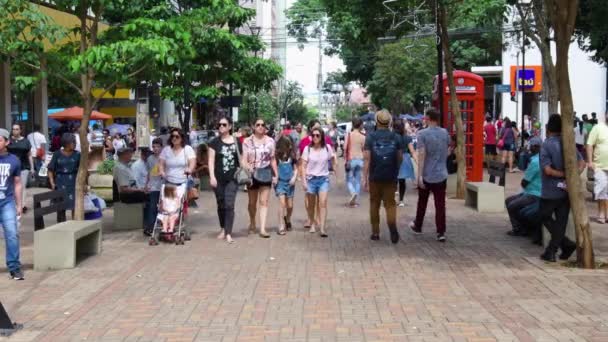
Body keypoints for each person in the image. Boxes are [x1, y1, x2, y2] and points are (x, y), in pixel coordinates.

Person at [538, 114, 584, 262]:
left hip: (550, 191)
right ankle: (557, 248)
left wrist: (562, 174)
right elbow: (582, 163)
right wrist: (570, 177)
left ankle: (557, 248)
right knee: (561, 221)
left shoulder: (546, 145)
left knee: (544, 216)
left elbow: (548, 170)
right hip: (566, 191)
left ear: (548, 128)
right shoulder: (568, 142)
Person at [409, 108, 450, 242]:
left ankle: (418, 225)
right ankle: (441, 232)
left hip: (427, 174)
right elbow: (449, 148)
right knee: (440, 204)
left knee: (422, 202)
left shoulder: (422, 134)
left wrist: (419, 175)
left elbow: (422, 154)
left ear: (428, 118)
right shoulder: (445, 133)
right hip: (441, 174)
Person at [362, 110, 402, 243]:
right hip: (390, 176)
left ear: (376, 121)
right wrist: (396, 170)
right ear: (389, 121)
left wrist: (364, 177)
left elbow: (367, 159)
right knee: (390, 204)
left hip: (375, 175)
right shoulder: (396, 137)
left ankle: (375, 232)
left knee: (374, 204)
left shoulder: (370, 137)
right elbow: (400, 157)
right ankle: (392, 226)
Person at [242, 118, 277, 238]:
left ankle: (262, 228)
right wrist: (247, 167)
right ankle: (252, 222)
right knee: (252, 202)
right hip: (252, 173)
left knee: (264, 201)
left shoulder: (271, 141)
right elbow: (244, 159)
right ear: (253, 126)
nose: (260, 127)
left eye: (263, 125)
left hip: (266, 172)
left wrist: (276, 175)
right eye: (258, 125)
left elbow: (272, 159)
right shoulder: (247, 141)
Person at [208, 117, 240, 244]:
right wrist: (212, 176)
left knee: (229, 204)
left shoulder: (237, 142)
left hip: (232, 178)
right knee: (221, 203)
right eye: (219, 124)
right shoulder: (214, 142)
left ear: (230, 127)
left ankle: (228, 232)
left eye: (224, 124)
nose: (221, 126)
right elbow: (210, 160)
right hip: (218, 178)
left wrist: (249, 167)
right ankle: (223, 228)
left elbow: (241, 159)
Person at [301, 127, 336, 237]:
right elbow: (303, 166)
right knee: (311, 205)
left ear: (322, 137)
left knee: (323, 203)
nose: (315, 137)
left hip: (323, 179)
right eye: (314, 135)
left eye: (318, 135)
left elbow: (333, 158)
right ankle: (312, 223)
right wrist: (304, 181)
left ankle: (322, 228)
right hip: (311, 179)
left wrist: (335, 169)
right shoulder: (308, 149)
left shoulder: (327, 148)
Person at [0, 128, 24, 280]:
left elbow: (17, 184)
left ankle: (14, 268)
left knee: (12, 235)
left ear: (7, 142)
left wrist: (19, 204)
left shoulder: (14, 160)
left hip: (6, 203)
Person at [505, 137, 542, 236]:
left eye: (531, 146)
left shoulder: (535, 162)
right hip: (530, 192)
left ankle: (518, 228)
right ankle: (521, 227)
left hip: (534, 194)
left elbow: (524, 182)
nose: (529, 148)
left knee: (512, 205)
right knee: (509, 200)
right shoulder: (537, 159)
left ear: (536, 147)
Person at [48, 133, 81, 215]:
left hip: (73, 182)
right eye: (73, 142)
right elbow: (50, 169)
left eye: (75, 142)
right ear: (66, 143)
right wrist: (52, 183)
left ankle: (75, 224)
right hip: (60, 182)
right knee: (61, 206)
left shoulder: (77, 154)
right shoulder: (57, 154)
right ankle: (62, 223)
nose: (75, 144)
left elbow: (82, 170)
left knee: (75, 206)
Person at [586, 114, 608, 223]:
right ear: (606, 115)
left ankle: (605, 214)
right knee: (602, 189)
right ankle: (602, 213)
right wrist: (590, 161)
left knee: (605, 191)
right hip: (599, 166)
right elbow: (589, 144)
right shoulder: (597, 128)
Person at [8, 123, 33, 213]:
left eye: (17, 129)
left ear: (20, 130)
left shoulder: (26, 141)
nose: (15, 131)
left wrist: (32, 168)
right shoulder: (8, 141)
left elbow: (29, 155)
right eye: (13, 129)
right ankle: (15, 204)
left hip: (24, 166)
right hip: (11, 167)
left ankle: (22, 205)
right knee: (12, 186)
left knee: (22, 186)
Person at [274, 136, 297, 235]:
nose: (290, 147)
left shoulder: (292, 157)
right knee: (282, 203)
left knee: (290, 205)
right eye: (288, 145)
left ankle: (287, 218)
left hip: (290, 183)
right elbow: (273, 168)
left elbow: (296, 169)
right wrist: (274, 177)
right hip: (280, 183)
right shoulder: (277, 157)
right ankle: (281, 226)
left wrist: (294, 177)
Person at [344, 118, 366, 207]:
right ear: (360, 125)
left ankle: (353, 193)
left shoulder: (349, 135)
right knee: (357, 179)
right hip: (360, 159)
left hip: (351, 159)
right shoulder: (363, 136)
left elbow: (345, 147)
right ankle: (355, 199)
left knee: (349, 179)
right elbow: (364, 149)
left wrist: (345, 158)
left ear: (352, 125)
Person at [395, 121, 418, 207]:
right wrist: (417, 161)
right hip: (405, 158)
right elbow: (412, 151)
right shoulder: (407, 138)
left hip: (394, 158)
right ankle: (401, 200)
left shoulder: (392, 137)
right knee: (402, 181)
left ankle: (392, 198)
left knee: (393, 179)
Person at [144, 138, 163, 235]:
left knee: (163, 207)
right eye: (154, 147)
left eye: (158, 147)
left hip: (163, 186)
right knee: (152, 207)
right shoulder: (150, 159)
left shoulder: (164, 158)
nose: (155, 149)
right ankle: (150, 227)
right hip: (153, 187)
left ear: (161, 147)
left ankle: (163, 225)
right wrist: (146, 185)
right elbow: (148, 173)